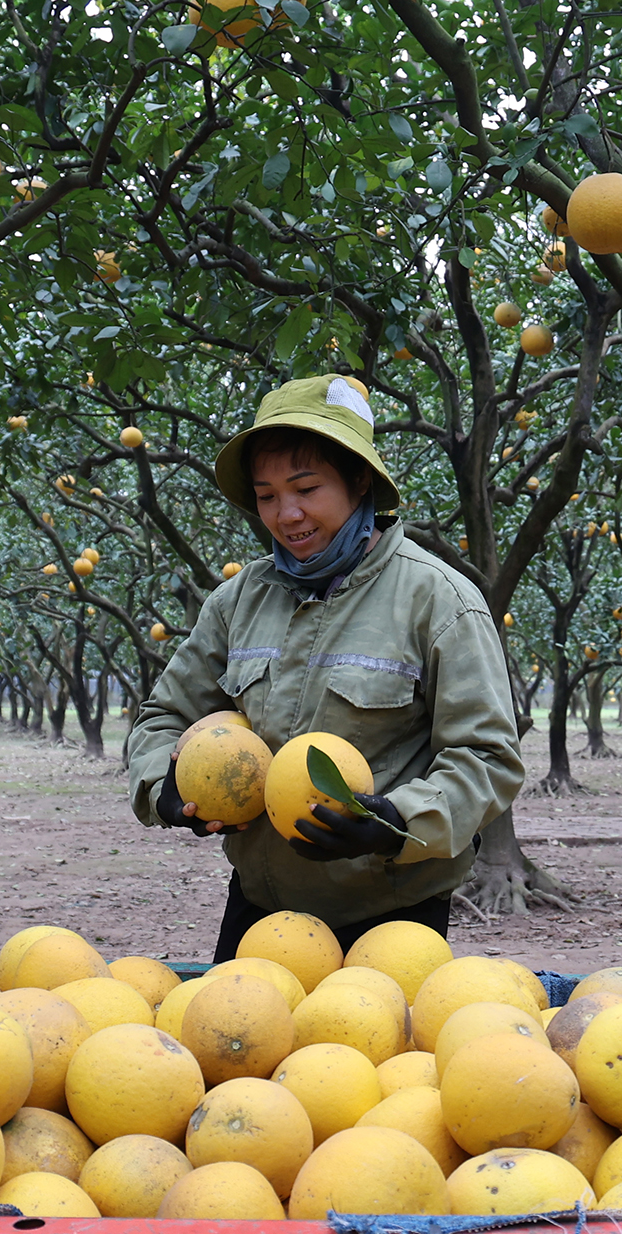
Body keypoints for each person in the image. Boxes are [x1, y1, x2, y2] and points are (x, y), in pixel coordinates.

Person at [124, 374, 524, 960]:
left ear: (359, 479)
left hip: (393, 915)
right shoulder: (240, 601)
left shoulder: (438, 600)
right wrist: (165, 788)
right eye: (266, 496)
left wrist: (393, 821)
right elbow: (163, 716)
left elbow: (487, 759)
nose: (287, 515)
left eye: (306, 488)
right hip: (263, 909)